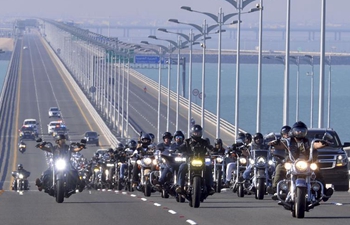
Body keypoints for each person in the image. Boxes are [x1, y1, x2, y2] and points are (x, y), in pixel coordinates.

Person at [268, 121, 333, 202]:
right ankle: (274, 189)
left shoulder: (308, 141)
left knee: (317, 170)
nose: (299, 132)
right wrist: (274, 143)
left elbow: (316, 145)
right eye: (297, 130)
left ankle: (324, 192)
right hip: (291, 162)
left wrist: (323, 143)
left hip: (306, 163)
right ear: (293, 131)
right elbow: (281, 145)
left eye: (301, 131)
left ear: (305, 132)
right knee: (280, 168)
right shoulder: (288, 141)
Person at [175, 124, 215, 196]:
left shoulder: (204, 142)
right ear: (192, 133)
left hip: (201, 161)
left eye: (198, 132)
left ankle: (210, 187)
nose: (197, 134)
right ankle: (180, 186)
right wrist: (178, 151)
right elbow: (180, 147)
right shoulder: (187, 142)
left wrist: (213, 151)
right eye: (195, 132)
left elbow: (210, 148)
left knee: (208, 168)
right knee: (182, 166)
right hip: (189, 161)